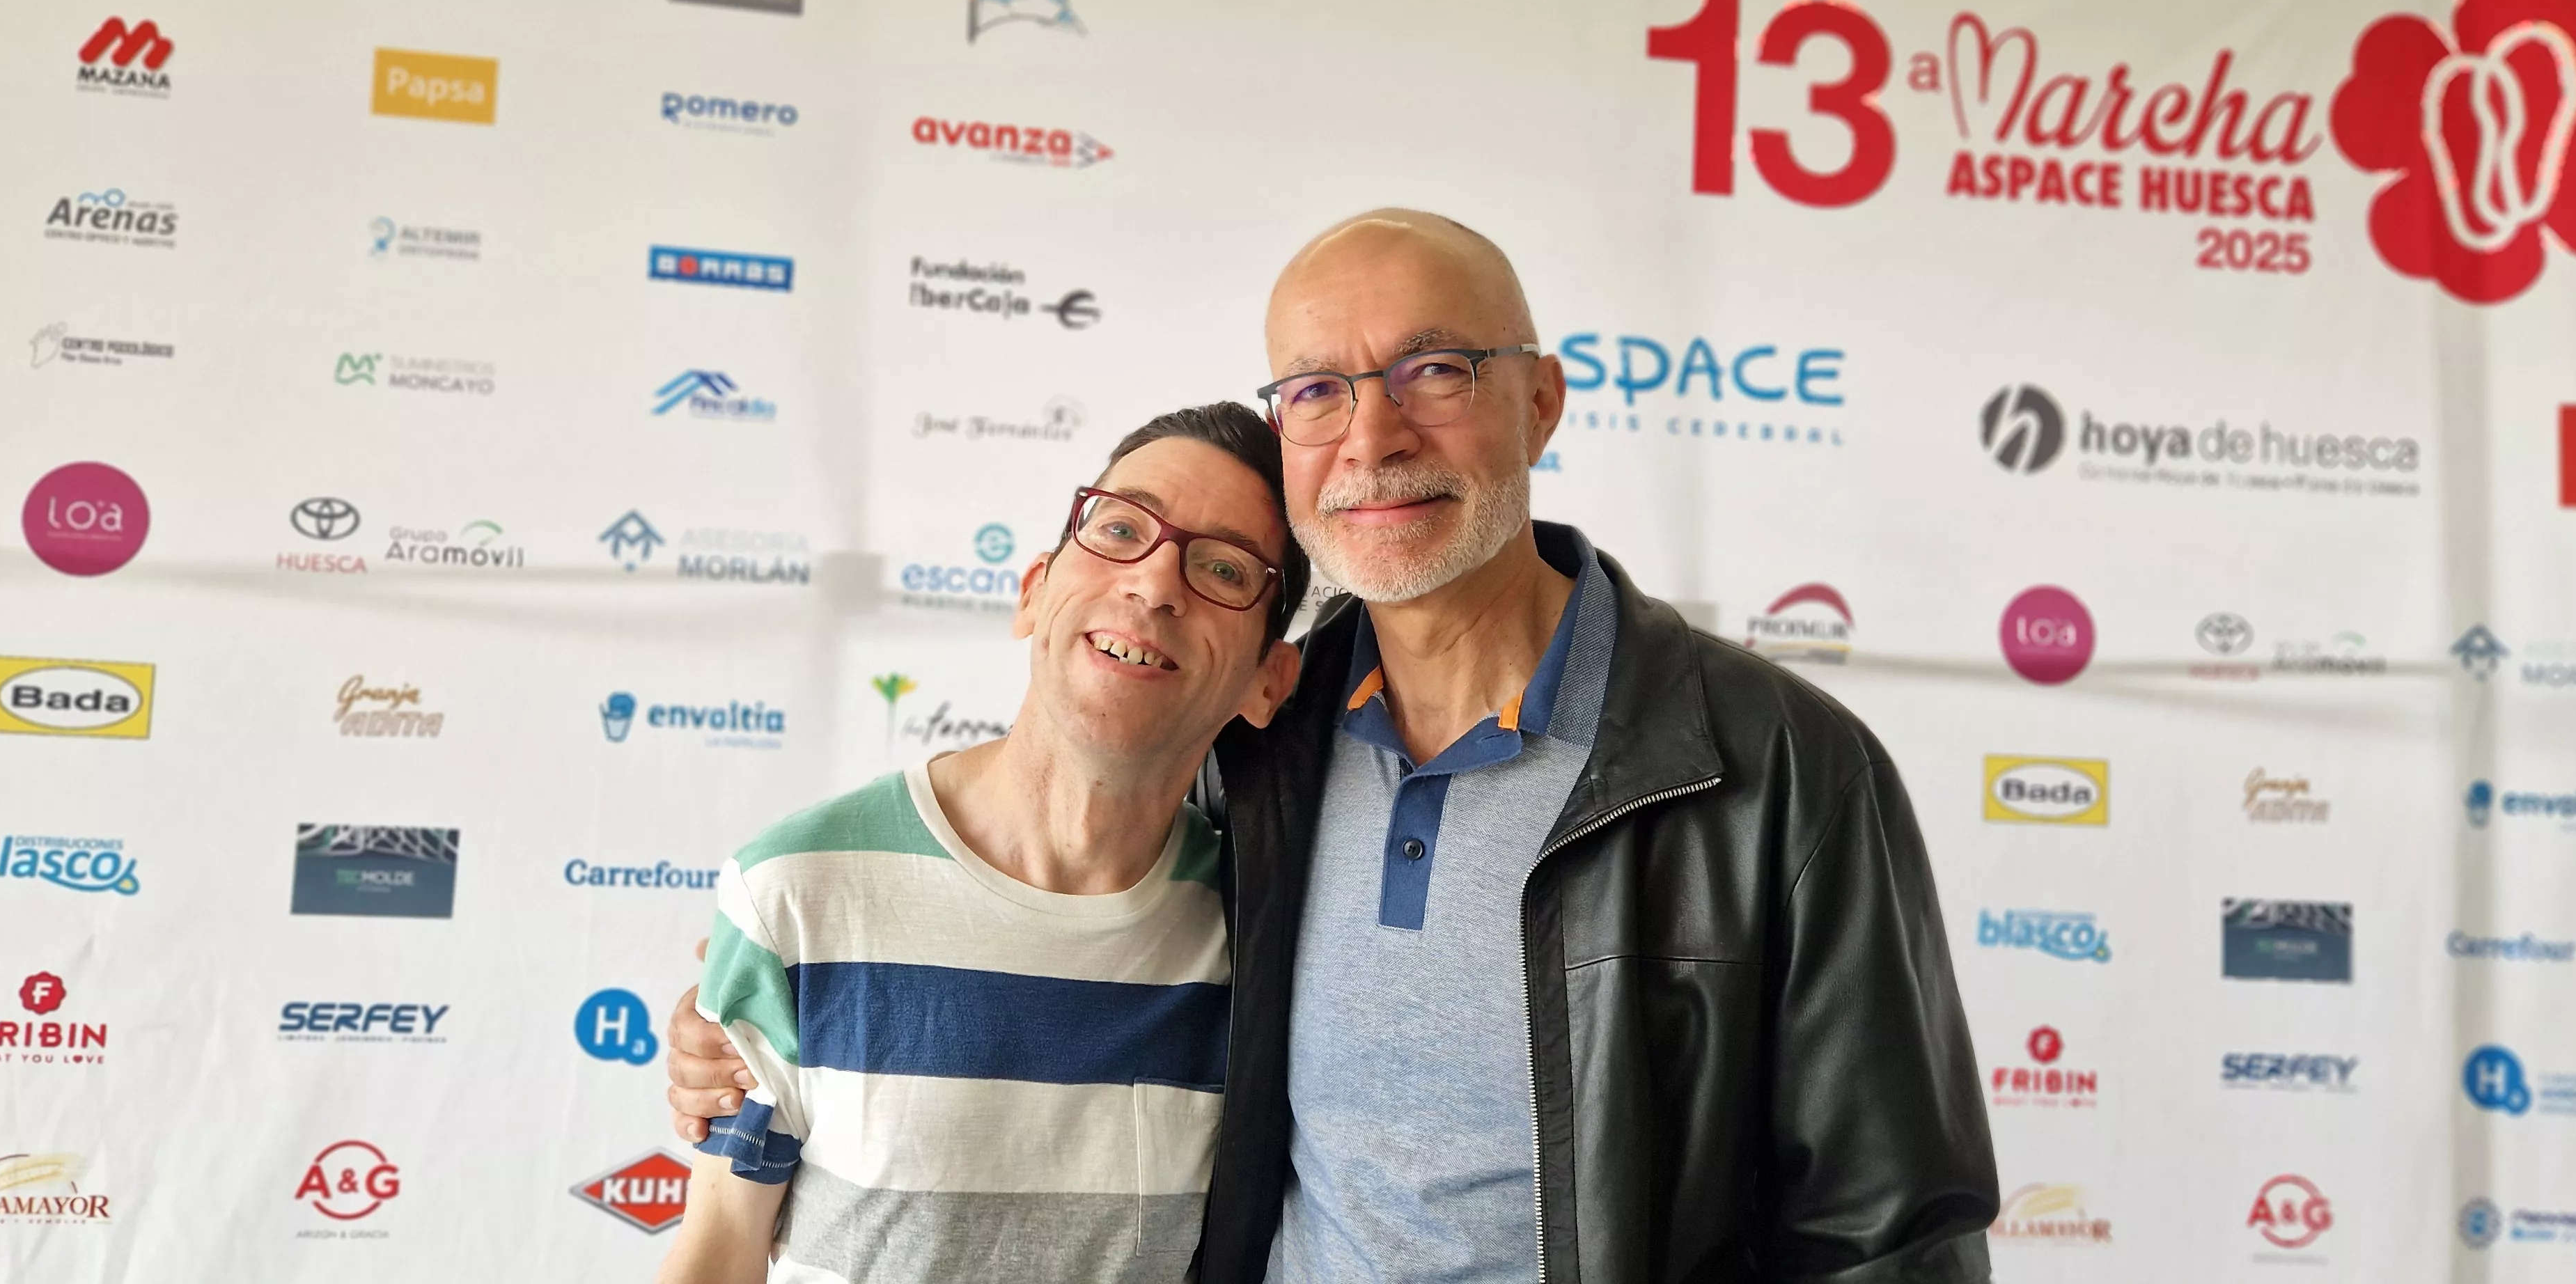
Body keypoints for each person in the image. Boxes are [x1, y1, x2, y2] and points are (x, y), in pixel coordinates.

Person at [669, 210, 1998, 1282]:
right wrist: (741, 1024)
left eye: (1435, 369)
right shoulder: (1259, 733)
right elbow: (1027, 901)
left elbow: (1891, 1235)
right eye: (1318, 389)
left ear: (1541, 401)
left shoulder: (1776, 769)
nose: (1374, 437)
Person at [654, 404, 1305, 1284]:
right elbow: (718, 1254)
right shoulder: (795, 889)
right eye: (1119, 529)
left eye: (1223, 568)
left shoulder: (1263, 939)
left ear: (1270, 680)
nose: (1154, 586)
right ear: (1033, 590)